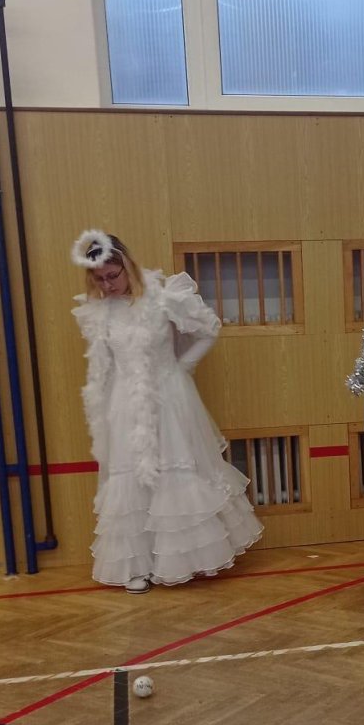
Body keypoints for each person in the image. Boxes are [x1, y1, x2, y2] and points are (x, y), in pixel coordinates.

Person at [70, 229, 262, 592]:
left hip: (170, 398)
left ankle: (184, 559)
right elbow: (105, 366)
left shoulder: (164, 297)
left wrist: (182, 367)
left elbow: (208, 329)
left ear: (127, 265)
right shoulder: (99, 312)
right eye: (99, 279)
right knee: (131, 477)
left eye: (112, 275)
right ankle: (136, 567)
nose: (108, 285)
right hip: (124, 403)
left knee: (176, 470)